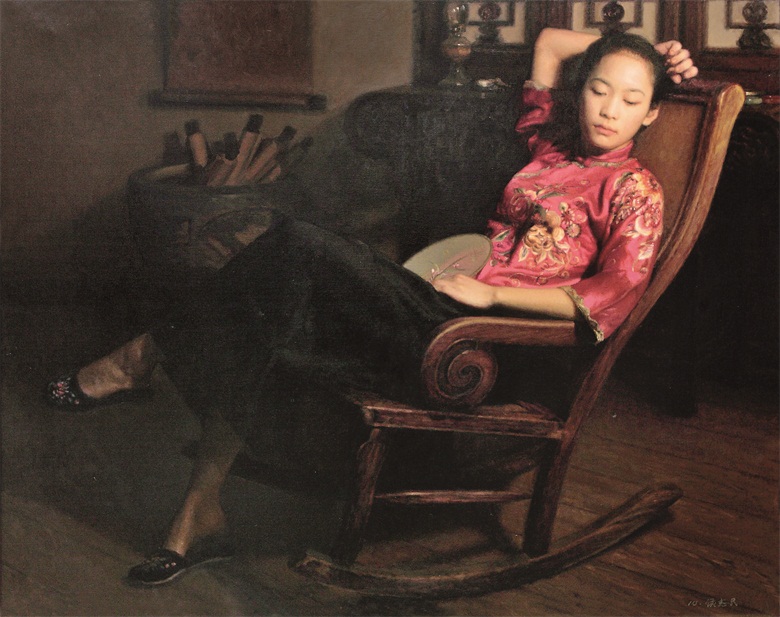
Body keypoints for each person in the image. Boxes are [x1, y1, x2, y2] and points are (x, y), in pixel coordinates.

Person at [46, 27, 698, 586]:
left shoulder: (634, 190)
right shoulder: (551, 147)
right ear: (581, 92)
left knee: (296, 247)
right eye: (599, 88)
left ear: (651, 115)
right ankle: (196, 515)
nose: (610, 109)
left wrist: (494, 294)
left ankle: (144, 355)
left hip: (490, 345)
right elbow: (552, 42)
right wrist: (649, 48)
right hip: (442, 310)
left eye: (632, 98)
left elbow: (609, 298)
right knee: (279, 300)